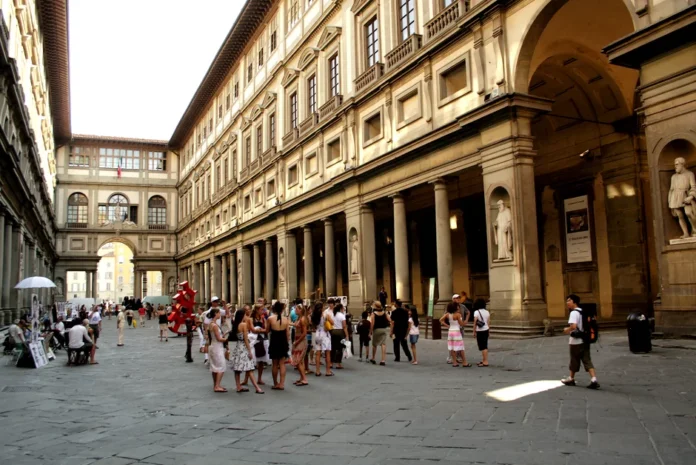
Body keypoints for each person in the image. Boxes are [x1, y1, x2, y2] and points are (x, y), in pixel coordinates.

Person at [562, 294, 599, 389]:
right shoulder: (583, 311)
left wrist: (567, 329)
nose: (567, 302)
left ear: (574, 302)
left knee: (574, 360)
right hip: (585, 339)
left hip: (576, 341)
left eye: (569, 300)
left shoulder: (573, 313)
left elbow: (573, 326)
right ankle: (594, 379)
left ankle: (571, 378)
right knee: (587, 360)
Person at [228, 309, 264, 394]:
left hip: (237, 348)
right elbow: (246, 339)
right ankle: (257, 388)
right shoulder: (243, 325)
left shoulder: (235, 325)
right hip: (243, 347)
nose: (246, 316)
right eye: (245, 315)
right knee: (249, 368)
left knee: (237, 369)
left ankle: (238, 386)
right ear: (242, 316)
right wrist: (249, 351)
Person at [266, 301, 291, 390]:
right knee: (282, 363)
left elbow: (267, 330)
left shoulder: (270, 318)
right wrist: (287, 343)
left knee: (275, 363)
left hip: (274, 341)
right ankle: (282, 383)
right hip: (283, 341)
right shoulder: (286, 319)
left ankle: (275, 383)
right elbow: (288, 333)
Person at [244, 305, 269, 386]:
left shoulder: (263, 319)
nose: (263, 311)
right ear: (257, 310)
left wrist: (260, 330)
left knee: (261, 361)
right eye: (261, 309)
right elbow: (253, 330)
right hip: (253, 341)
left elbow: (267, 330)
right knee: (250, 360)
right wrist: (261, 330)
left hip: (261, 340)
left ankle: (259, 379)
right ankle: (246, 379)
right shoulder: (250, 319)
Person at [440, 302, 470, 367]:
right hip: (457, 331)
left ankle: (454, 362)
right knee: (461, 347)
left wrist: (447, 326)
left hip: (451, 331)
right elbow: (461, 324)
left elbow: (441, 320)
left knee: (452, 347)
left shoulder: (448, 314)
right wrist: (465, 321)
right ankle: (464, 362)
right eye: (457, 306)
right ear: (455, 307)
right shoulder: (458, 315)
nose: (458, 307)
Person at [207, 308, 227, 393]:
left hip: (212, 346)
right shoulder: (214, 325)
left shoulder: (211, 324)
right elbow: (219, 339)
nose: (220, 314)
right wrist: (226, 339)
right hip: (217, 347)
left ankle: (215, 384)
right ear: (216, 313)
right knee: (221, 366)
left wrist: (223, 335)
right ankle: (217, 386)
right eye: (219, 313)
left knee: (214, 367)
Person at [312, 302, 333, 376]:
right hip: (325, 334)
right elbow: (332, 322)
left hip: (318, 334)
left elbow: (314, 327)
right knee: (327, 353)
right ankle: (328, 371)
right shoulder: (325, 315)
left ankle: (317, 371)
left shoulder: (314, 316)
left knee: (318, 353)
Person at [291, 304, 309, 387]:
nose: (295, 310)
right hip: (298, 340)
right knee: (299, 361)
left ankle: (304, 379)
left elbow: (304, 333)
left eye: (297, 309)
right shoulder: (299, 318)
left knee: (298, 361)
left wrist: (297, 341)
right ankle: (302, 378)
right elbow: (296, 326)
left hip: (301, 341)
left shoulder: (302, 319)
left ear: (300, 310)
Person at [369, 302, 391, 366]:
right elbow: (390, 320)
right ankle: (383, 360)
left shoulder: (373, 314)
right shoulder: (385, 313)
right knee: (383, 344)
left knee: (374, 344)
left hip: (376, 330)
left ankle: (373, 358)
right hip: (383, 329)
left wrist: (370, 332)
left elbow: (372, 324)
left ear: (375, 306)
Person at [330, 302, 349, 370]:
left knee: (333, 348)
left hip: (333, 331)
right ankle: (338, 363)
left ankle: (331, 363)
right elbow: (344, 326)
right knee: (340, 348)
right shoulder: (342, 315)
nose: (344, 309)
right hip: (340, 332)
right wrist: (347, 335)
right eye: (343, 308)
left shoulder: (333, 314)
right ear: (341, 308)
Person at [472, 299, 490, 367]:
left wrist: (474, 331)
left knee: (483, 346)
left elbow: (475, 323)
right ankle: (484, 360)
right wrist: (489, 331)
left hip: (480, 330)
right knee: (484, 345)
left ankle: (485, 361)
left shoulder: (476, 312)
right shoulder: (487, 312)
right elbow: (488, 322)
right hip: (486, 329)